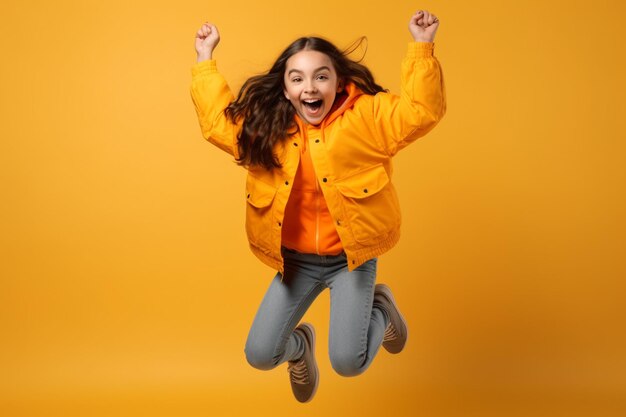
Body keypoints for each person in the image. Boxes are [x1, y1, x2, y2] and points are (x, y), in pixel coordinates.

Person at [191, 9, 445, 403]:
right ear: (286, 89)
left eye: (321, 76)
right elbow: (217, 125)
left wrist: (422, 47)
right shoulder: (265, 127)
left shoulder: (366, 118)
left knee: (348, 361)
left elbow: (421, 113)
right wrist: (205, 60)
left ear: (337, 82)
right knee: (260, 355)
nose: (310, 87)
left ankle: (381, 309)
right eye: (298, 78)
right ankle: (300, 347)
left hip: (351, 260)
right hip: (295, 263)